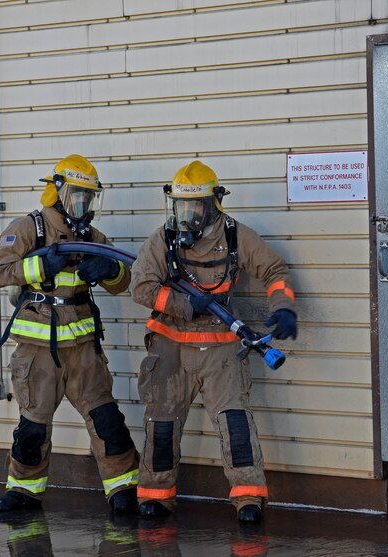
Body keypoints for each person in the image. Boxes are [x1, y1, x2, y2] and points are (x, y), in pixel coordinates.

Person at [130, 160, 298, 523]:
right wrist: (183, 304)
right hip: (170, 347)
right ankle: (156, 496)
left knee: (234, 422)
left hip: (222, 347)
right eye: (181, 206)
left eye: (195, 206)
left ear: (213, 204)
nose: (187, 214)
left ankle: (248, 497)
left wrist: (283, 307)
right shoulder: (163, 239)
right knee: (162, 422)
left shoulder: (236, 236)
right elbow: (140, 287)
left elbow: (274, 270)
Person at [0, 154, 139, 513]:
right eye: (76, 196)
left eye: (89, 197)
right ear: (57, 192)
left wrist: (109, 269)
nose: (83, 205)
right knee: (32, 429)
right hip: (37, 350)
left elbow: (123, 282)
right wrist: (40, 264)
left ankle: (123, 490)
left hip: (84, 351)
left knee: (107, 422)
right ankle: (24, 492)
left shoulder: (93, 237)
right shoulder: (30, 228)